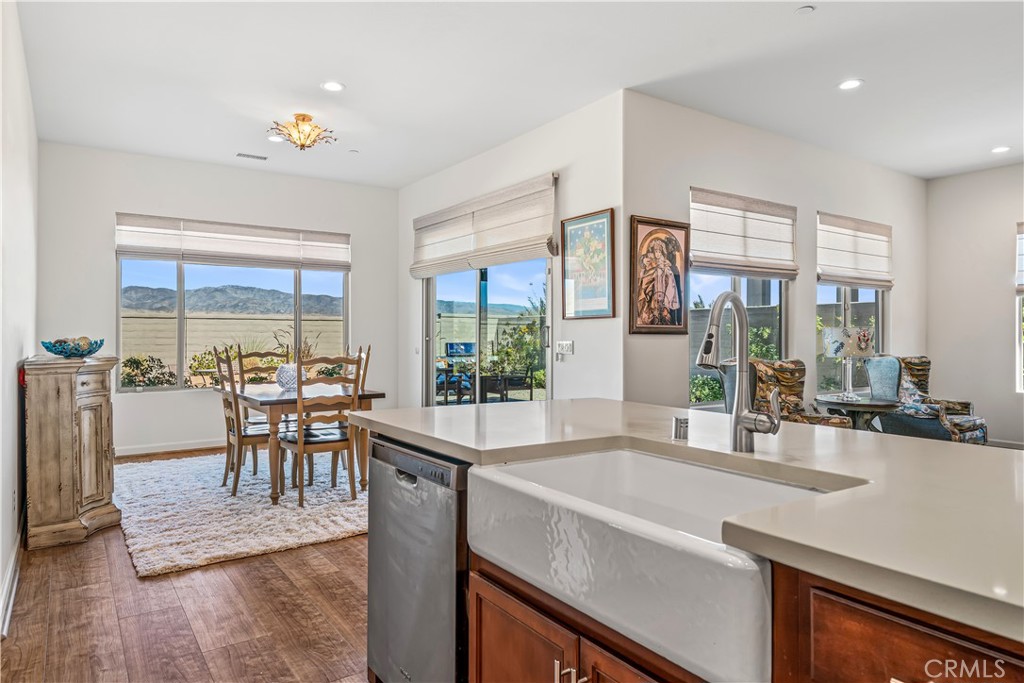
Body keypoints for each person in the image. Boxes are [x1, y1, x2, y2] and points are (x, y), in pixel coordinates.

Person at [637, 237, 681, 325]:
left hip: (662, 295)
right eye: (655, 251)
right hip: (652, 295)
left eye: (659, 251)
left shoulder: (664, 263)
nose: (657, 254)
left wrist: (668, 270)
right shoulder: (649, 263)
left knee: (664, 317)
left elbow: (671, 278)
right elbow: (644, 277)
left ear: (662, 252)